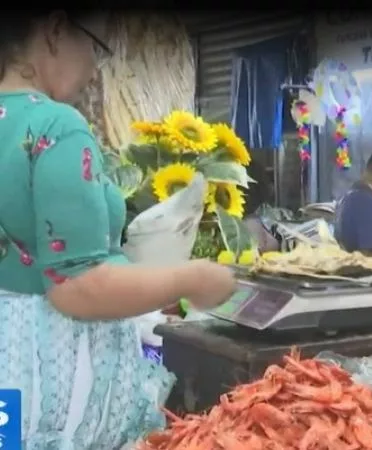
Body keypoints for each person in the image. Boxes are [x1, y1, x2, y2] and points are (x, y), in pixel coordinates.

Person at [0, 11, 236, 447]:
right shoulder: (56, 126)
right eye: (96, 46)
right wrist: (193, 278)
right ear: (55, 31)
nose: (95, 69)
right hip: (48, 381)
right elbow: (78, 286)